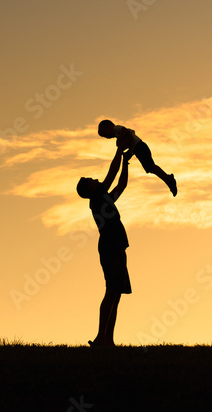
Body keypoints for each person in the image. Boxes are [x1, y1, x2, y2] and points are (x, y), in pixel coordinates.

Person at [77, 147, 134, 347]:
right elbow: (111, 173)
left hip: (117, 247)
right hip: (110, 248)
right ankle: (101, 337)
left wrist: (126, 162)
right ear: (89, 190)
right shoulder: (96, 199)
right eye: (91, 181)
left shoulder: (104, 199)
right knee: (111, 290)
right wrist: (119, 150)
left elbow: (121, 184)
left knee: (116, 293)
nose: (95, 179)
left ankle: (108, 340)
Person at [97, 119, 176, 196]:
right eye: (105, 136)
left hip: (140, 147)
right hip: (138, 148)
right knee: (150, 168)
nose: (107, 137)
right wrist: (128, 152)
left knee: (151, 167)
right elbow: (130, 139)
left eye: (105, 134)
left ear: (108, 126)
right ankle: (168, 179)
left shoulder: (116, 129)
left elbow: (126, 131)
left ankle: (168, 179)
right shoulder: (118, 135)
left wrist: (120, 141)